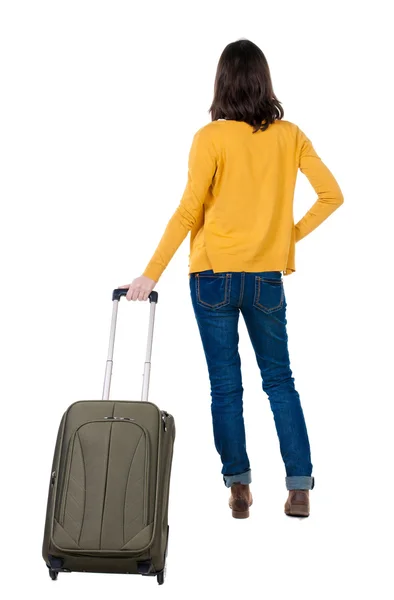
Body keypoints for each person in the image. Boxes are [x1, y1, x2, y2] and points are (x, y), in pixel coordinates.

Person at [120, 39, 344, 519]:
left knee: (225, 386)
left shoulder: (210, 138)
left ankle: (239, 487)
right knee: (280, 381)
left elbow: (188, 211)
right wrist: (287, 239)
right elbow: (332, 195)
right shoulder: (291, 135)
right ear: (264, 81)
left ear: (222, 82)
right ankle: (299, 487)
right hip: (265, 278)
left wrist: (149, 274)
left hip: (212, 277)